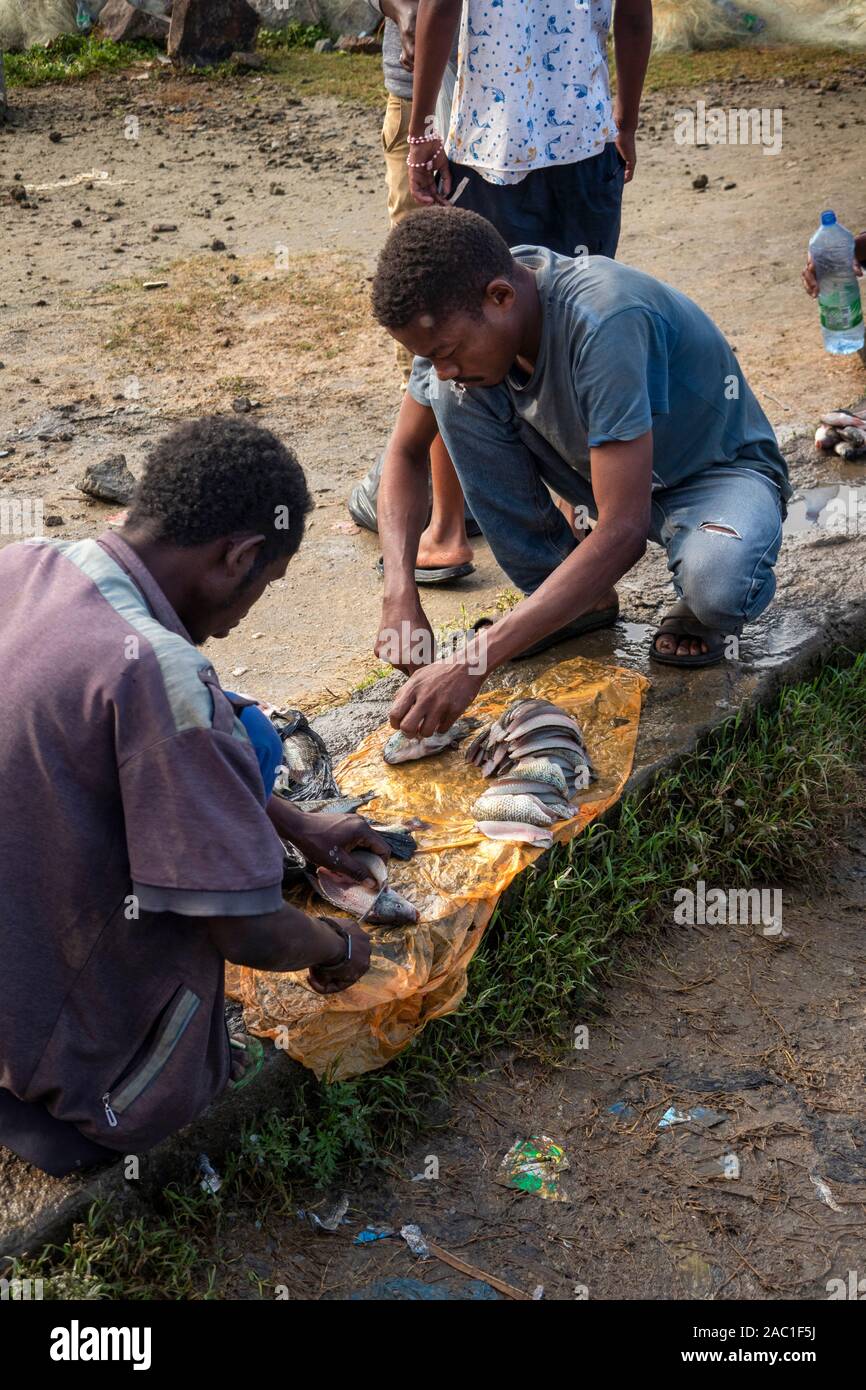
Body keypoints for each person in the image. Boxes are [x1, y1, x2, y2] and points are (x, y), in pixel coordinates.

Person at [0, 416, 389, 1178]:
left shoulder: (25, 564)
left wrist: (292, 821)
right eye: (264, 585)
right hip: (52, 1061)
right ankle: (72, 1100)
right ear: (239, 557)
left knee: (236, 723)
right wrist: (338, 946)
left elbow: (138, 755)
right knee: (165, 1059)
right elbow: (243, 930)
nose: (250, 610)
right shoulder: (159, 674)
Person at [371, 207, 792, 737]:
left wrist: (474, 660)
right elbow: (406, 455)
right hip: (599, 473)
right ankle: (573, 598)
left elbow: (622, 533)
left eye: (448, 352)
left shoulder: (603, 320)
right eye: (430, 357)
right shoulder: (449, 321)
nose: (442, 366)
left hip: (715, 475)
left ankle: (694, 602)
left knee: (719, 585)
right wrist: (398, 593)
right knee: (452, 396)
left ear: (500, 297)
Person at [403, 0, 652, 540]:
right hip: (585, 145)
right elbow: (633, 12)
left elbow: (440, 7)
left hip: (492, 146)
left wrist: (422, 130)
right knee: (576, 330)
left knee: (463, 331)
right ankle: (583, 519)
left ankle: (447, 529)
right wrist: (625, 120)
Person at [350, 0, 477, 584]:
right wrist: (405, 15)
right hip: (511, 113)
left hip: (485, 107)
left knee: (444, 311)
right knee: (451, 311)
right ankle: (458, 511)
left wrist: (425, 123)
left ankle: (450, 524)